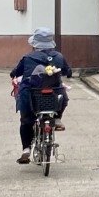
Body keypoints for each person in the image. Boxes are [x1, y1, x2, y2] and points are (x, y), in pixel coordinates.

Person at [11, 28, 71, 164]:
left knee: (26, 120)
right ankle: (57, 118)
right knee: (62, 99)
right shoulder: (59, 57)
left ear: (34, 44)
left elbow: (16, 72)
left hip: (30, 94)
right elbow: (68, 72)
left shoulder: (28, 58)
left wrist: (14, 74)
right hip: (54, 95)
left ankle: (26, 149)